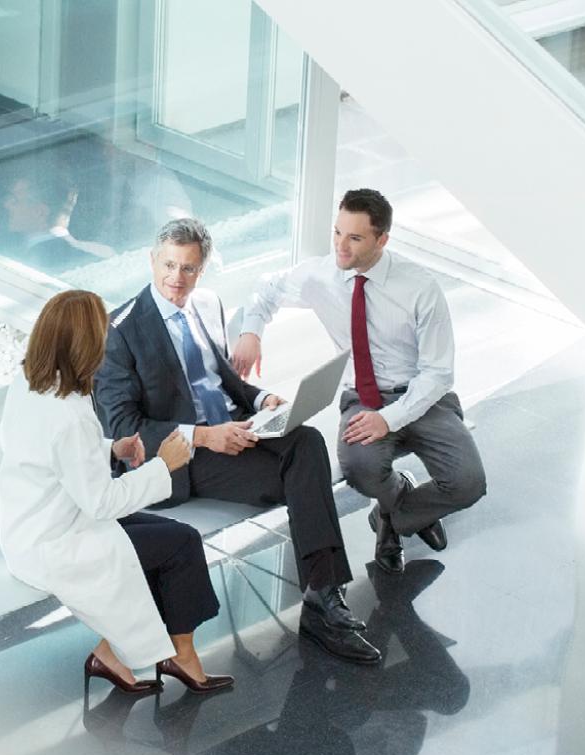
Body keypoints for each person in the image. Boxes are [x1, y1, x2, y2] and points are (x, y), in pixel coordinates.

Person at [94, 218, 381, 665]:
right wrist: (206, 436)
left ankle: (323, 595)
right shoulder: (120, 330)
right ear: (152, 261)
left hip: (236, 428)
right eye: (168, 265)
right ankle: (324, 603)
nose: (177, 278)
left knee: (305, 441)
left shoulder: (206, 304)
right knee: (301, 470)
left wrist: (262, 398)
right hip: (180, 457)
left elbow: (222, 380)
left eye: (188, 268)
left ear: (202, 270)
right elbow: (122, 426)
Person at [231, 188, 487, 574]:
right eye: (337, 233)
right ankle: (401, 501)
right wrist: (251, 332)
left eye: (354, 237)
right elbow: (267, 288)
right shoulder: (323, 275)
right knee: (359, 468)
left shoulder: (419, 287)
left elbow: (437, 373)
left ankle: (390, 517)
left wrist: (390, 418)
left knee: (468, 482)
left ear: (382, 239)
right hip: (363, 398)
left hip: (421, 396)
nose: (341, 247)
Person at [0, 289, 234, 696]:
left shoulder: (33, 382)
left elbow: (53, 457)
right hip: (55, 542)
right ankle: (181, 655)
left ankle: (112, 654)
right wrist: (166, 464)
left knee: (166, 536)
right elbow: (101, 501)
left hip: (34, 525)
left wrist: (111, 447)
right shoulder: (68, 415)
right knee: (181, 543)